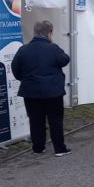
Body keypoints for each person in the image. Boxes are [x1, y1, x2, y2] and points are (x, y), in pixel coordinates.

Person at [11, 20, 72, 156]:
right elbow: (65, 60)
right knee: (55, 120)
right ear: (49, 34)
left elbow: (15, 69)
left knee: (35, 120)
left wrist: (25, 80)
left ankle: (38, 148)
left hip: (30, 91)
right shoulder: (53, 48)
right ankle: (59, 149)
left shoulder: (23, 49)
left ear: (35, 33)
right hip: (53, 92)